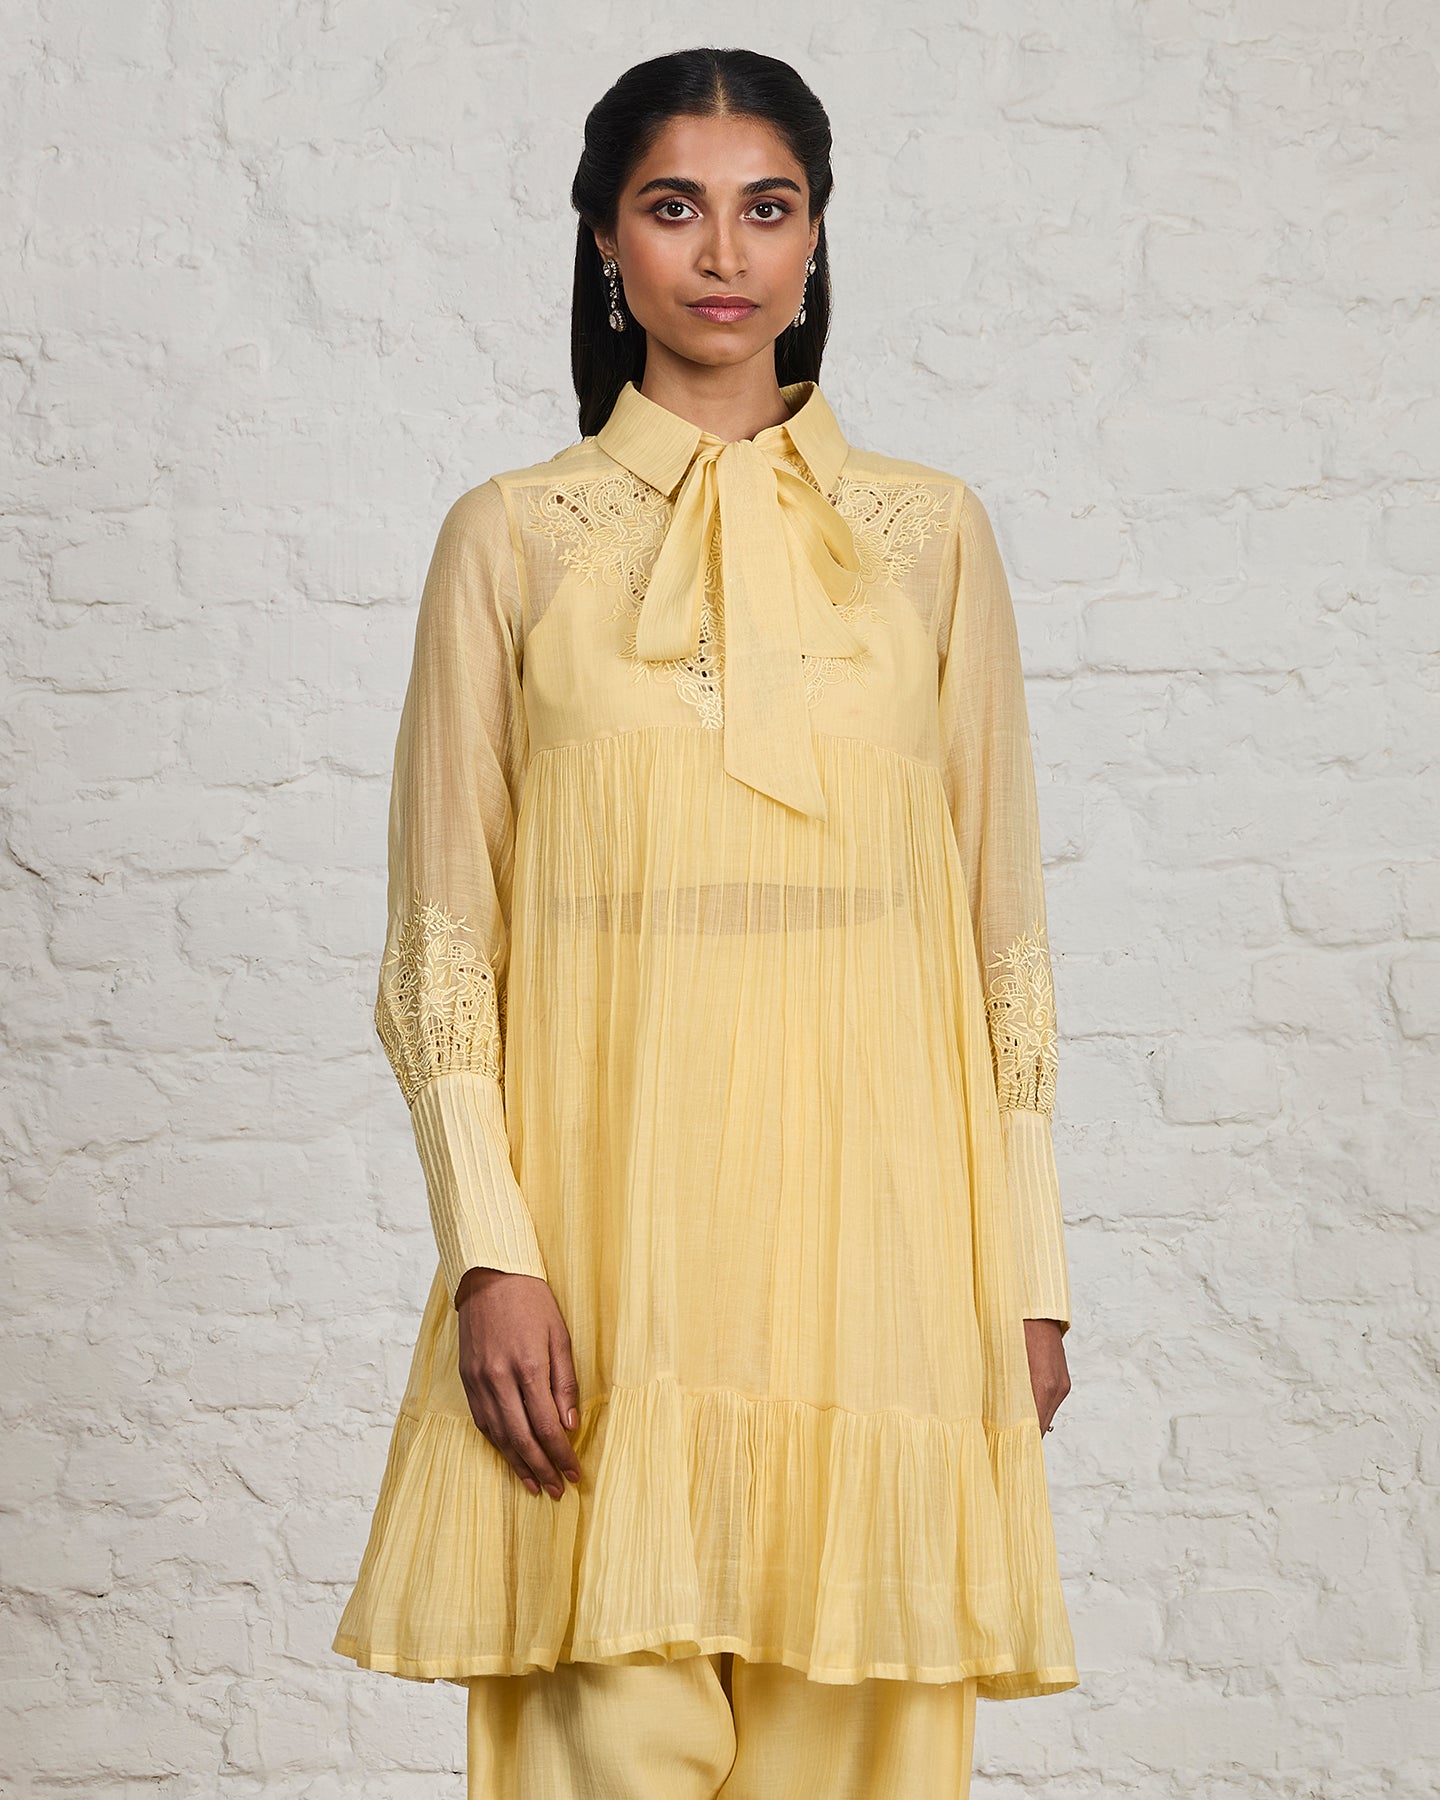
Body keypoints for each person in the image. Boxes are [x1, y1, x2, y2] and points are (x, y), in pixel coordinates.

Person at [332, 45, 1079, 1800]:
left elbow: (1003, 936)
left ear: (817, 238)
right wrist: (491, 1250)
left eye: (769, 207)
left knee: (865, 1757)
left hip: (891, 1256)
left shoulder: (930, 538)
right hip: (608, 1249)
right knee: (601, 1745)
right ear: (608, 238)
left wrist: (1028, 1272)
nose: (725, 253)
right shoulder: (511, 540)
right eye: (675, 207)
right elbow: (442, 948)